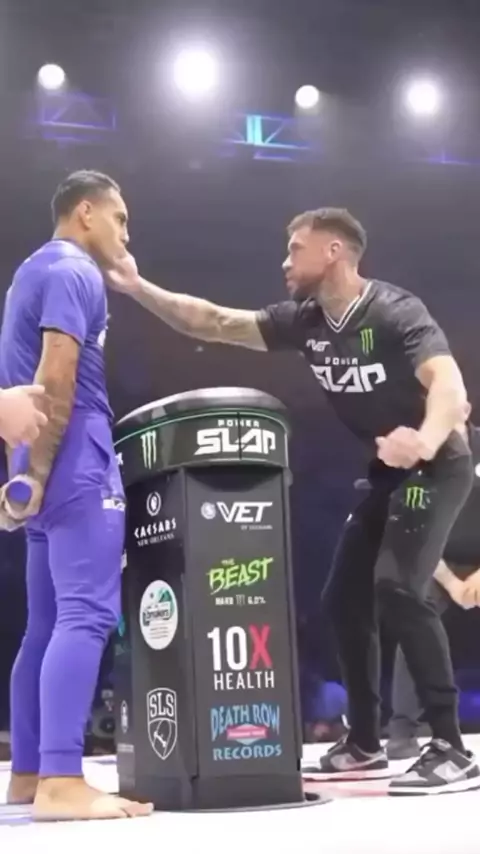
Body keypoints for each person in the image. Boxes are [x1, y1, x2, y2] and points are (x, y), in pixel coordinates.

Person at [107, 207, 479, 794]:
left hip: (438, 464)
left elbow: (450, 388)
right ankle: (364, 743)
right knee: (342, 600)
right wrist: (136, 287)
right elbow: (214, 322)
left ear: (334, 251)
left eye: (295, 249)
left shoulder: (395, 310)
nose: (284, 261)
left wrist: (424, 440)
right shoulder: (305, 321)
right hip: (387, 472)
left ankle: (451, 749)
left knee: (398, 587)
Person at [0, 170, 153, 821]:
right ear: (85, 212)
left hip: (36, 454)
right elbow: (55, 373)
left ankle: (30, 773)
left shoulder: (30, 271)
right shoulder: (74, 270)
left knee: (44, 623)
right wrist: (39, 471)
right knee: (86, 614)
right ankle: (63, 778)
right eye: (120, 219)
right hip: (71, 453)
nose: (126, 234)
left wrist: (24, 471)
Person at [388, 423, 480, 759]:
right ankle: (403, 730)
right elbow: (413, 533)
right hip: (436, 559)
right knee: (413, 609)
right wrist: (454, 584)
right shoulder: (415, 458)